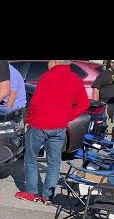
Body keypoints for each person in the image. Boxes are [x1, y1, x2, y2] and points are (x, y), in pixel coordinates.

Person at [16, 60, 89, 204]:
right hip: (60, 126)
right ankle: (48, 196)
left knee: (31, 158)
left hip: (40, 124)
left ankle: (31, 193)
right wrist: (68, 116)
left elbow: (36, 103)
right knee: (54, 162)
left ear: (56, 61)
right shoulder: (76, 80)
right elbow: (84, 103)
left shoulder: (47, 77)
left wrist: (29, 119)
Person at [91, 61, 114, 126]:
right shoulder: (105, 74)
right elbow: (96, 88)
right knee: (108, 126)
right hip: (107, 105)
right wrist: (95, 104)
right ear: (112, 64)